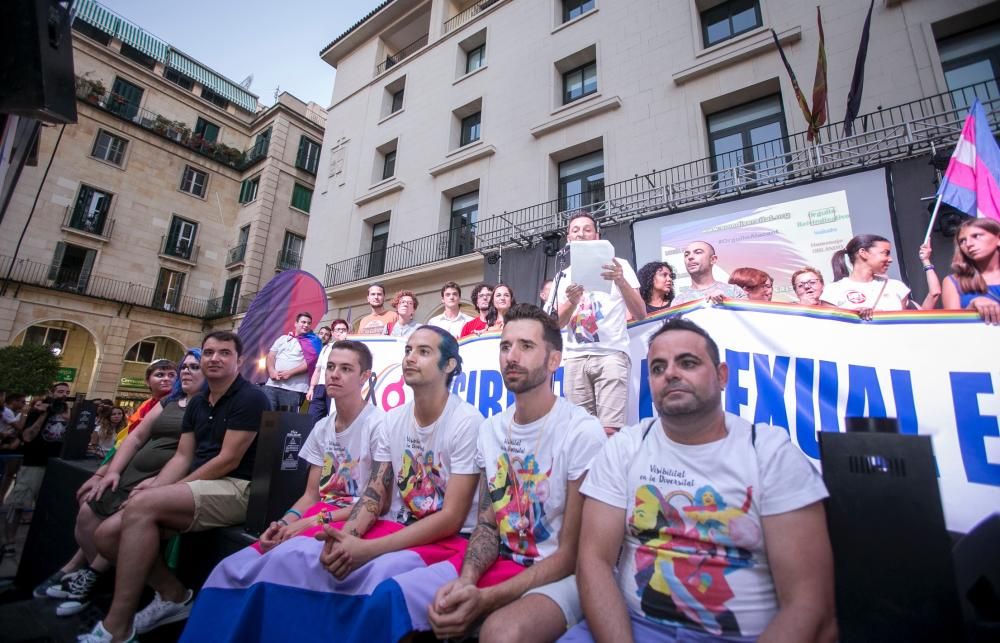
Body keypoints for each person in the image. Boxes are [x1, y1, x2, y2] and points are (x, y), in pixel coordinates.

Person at [179, 327, 479, 642]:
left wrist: (362, 547)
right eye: (407, 350)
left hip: (447, 539)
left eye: (423, 352)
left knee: (370, 585)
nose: (410, 359)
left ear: (450, 366)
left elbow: (451, 518)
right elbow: (373, 495)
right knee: (264, 566)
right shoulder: (393, 420)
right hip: (396, 527)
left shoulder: (465, 422)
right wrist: (345, 539)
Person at [565, 317, 836, 642]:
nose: (671, 374)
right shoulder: (625, 446)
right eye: (657, 368)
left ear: (722, 376)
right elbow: (593, 561)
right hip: (630, 627)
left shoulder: (771, 453)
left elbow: (808, 603)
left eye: (688, 363)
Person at [427, 304, 606, 641]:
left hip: (566, 575)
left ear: (553, 361)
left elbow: (572, 554)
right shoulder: (490, 429)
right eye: (506, 346)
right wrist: (467, 581)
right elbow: (486, 524)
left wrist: (486, 599)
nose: (511, 356)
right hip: (506, 561)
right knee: (433, 601)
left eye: (526, 346)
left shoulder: (582, 431)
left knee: (501, 633)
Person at [79, 331, 269, 642]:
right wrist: (157, 488)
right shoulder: (196, 404)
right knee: (106, 536)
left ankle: (116, 627)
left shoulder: (250, 397)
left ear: (240, 361)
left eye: (224, 353)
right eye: (208, 352)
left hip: (238, 487)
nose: (214, 358)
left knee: (141, 506)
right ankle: (173, 594)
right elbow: (182, 457)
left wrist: (166, 491)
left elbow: (228, 461)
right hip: (198, 485)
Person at [46, 352, 205, 617]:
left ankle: (93, 579)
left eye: (194, 367)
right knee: (87, 513)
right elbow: (135, 437)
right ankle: (97, 576)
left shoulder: (207, 406)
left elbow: (193, 454)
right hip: (129, 471)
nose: (186, 371)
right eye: (184, 366)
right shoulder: (168, 402)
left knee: (114, 529)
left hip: (160, 477)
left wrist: (159, 481)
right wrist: (107, 472)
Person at [33, 362, 176, 598]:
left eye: (172, 375)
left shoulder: (178, 406)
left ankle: (87, 574)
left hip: (152, 478)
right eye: (160, 374)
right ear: (147, 380)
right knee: (89, 506)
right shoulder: (146, 408)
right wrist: (103, 472)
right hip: (130, 471)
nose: (166, 379)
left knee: (117, 521)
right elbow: (128, 441)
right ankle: (86, 570)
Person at [553, 212, 646, 436]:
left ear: (597, 235)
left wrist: (620, 280)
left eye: (587, 229)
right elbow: (554, 324)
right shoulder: (562, 276)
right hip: (574, 358)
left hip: (611, 355)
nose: (581, 234)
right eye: (575, 230)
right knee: (579, 432)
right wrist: (571, 301)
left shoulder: (619, 265)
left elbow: (640, 313)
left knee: (610, 430)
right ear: (568, 238)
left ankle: (610, 471)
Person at [822, 234, 912, 318]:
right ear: (863, 253)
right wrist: (853, 316)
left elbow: (902, 325)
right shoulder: (833, 290)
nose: (890, 259)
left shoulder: (897, 287)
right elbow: (831, 326)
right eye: (885, 253)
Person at [942, 218, 1000, 324]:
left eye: (976, 236)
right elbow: (953, 328)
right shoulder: (953, 282)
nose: (968, 244)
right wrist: (971, 308)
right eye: (962, 241)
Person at [263, 312, 321, 411]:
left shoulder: (314, 341)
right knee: (267, 420)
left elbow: (311, 363)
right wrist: (272, 370)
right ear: (296, 323)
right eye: (303, 322)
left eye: (309, 323)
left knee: (287, 422)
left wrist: (289, 373)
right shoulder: (283, 338)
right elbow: (271, 356)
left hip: (294, 389)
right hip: (272, 385)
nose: (306, 325)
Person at [671, 241, 747, 305]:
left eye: (698, 252)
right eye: (686, 255)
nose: (690, 257)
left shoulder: (734, 291)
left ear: (713, 259)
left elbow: (749, 317)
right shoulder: (678, 301)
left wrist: (726, 302)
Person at [306, 319, 349, 423]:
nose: (340, 332)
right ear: (333, 333)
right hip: (321, 387)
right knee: (312, 419)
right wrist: (312, 388)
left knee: (334, 419)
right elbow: (318, 369)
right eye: (338, 330)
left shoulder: (350, 348)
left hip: (337, 387)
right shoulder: (326, 348)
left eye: (344, 330)